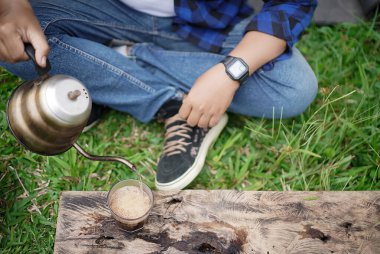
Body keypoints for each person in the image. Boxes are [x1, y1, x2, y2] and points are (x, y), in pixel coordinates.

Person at [0, 0, 318, 190]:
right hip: (102, 11)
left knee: (292, 89)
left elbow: (291, 4)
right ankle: (170, 106)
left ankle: (108, 65)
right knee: (13, 39)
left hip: (207, 24)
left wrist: (230, 72)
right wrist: (13, 6)